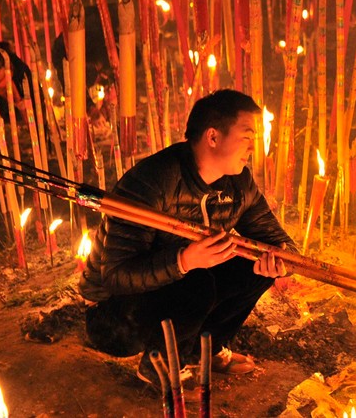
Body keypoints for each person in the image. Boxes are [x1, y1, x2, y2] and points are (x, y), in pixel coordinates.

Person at [80, 89, 295, 385]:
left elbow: (277, 240)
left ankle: (203, 350)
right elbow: (115, 276)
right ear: (213, 137)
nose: (252, 148)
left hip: (177, 287)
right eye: (246, 137)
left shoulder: (238, 183)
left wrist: (282, 261)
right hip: (114, 315)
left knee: (253, 264)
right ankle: (160, 365)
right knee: (197, 280)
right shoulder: (151, 181)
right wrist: (183, 260)